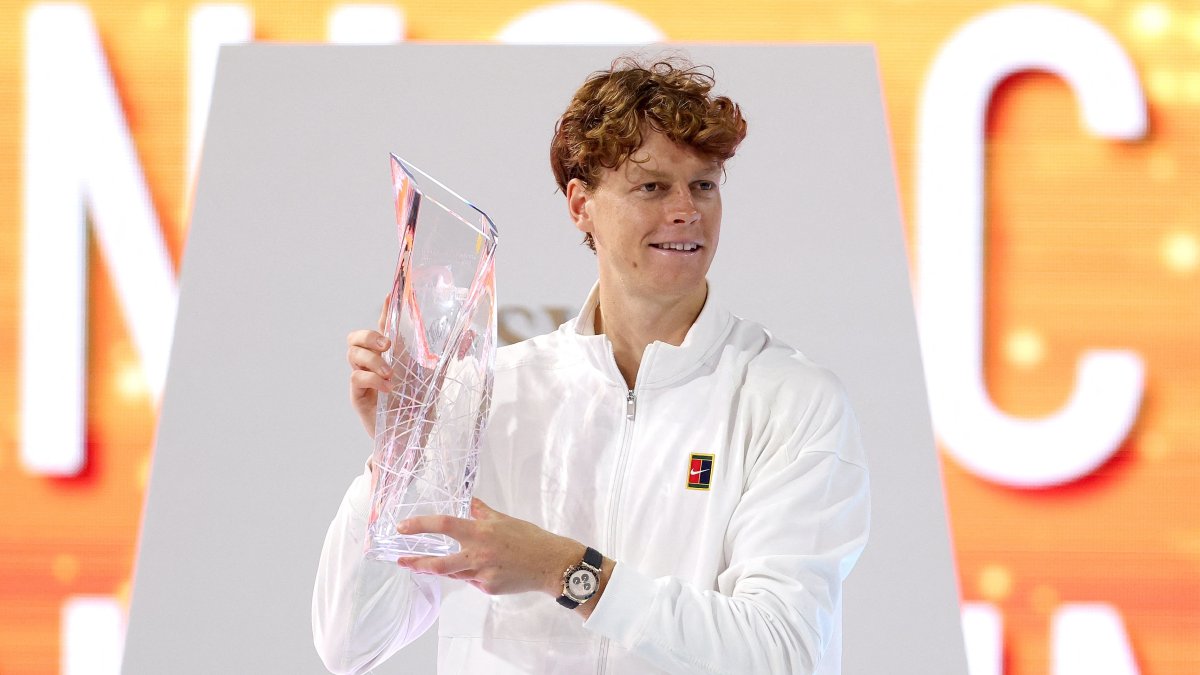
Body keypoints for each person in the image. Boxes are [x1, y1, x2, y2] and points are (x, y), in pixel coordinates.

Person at [313, 56, 870, 675]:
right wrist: (401, 454)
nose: (686, 210)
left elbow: (782, 654)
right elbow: (352, 643)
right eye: (652, 186)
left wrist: (566, 570)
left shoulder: (790, 400)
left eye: (704, 185)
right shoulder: (489, 396)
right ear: (581, 204)